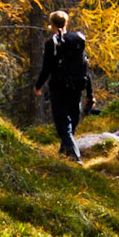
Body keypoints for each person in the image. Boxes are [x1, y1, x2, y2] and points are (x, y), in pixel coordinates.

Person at [33, 9, 95, 162]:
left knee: (62, 122)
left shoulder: (51, 44)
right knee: (72, 120)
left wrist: (38, 86)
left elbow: (47, 68)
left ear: (52, 24)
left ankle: (74, 156)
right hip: (77, 86)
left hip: (58, 87)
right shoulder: (78, 41)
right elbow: (85, 68)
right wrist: (90, 94)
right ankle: (64, 152)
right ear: (66, 23)